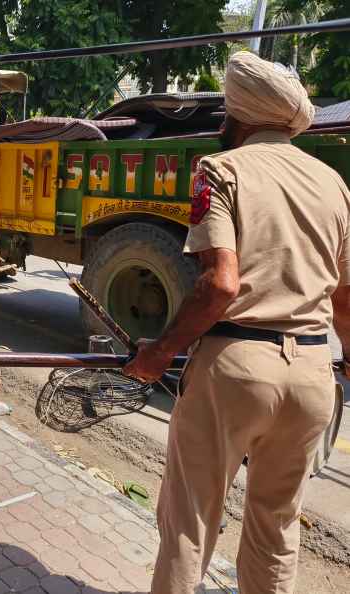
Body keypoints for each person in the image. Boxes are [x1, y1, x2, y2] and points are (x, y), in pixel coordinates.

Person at [124, 51, 350, 594]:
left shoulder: (218, 171)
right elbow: (345, 298)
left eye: (226, 110)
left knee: (190, 524)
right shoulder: (334, 184)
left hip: (237, 369)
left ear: (242, 116)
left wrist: (158, 353)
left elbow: (221, 284)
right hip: (316, 375)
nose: (222, 120)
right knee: (276, 526)